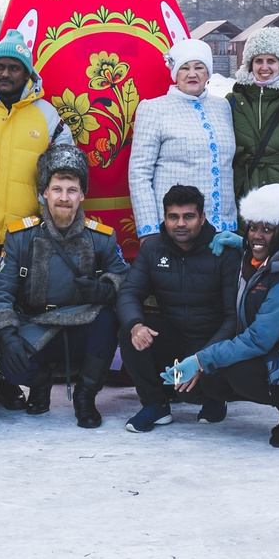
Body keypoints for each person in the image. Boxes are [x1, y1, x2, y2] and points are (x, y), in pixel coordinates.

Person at [0, 31, 75, 408]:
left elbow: (70, 165)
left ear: (27, 73)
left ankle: (8, 382)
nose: (5, 74)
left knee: (20, 309)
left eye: (14, 68)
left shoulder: (47, 114)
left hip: (25, 236)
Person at [165, 183, 279, 447]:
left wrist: (199, 360)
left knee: (237, 371)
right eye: (253, 226)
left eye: (267, 229)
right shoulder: (264, 258)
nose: (257, 235)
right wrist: (243, 244)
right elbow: (263, 254)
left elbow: (258, 339)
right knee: (213, 379)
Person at [0, 146, 127, 428]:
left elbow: (127, 281)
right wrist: (6, 334)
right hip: (34, 327)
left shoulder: (101, 238)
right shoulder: (20, 237)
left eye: (72, 190)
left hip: (81, 329)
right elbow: (0, 290)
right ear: (45, 193)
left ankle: (85, 396)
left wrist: (106, 289)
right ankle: (39, 383)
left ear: (82, 195)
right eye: (57, 189)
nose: (64, 198)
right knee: (6, 363)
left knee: (110, 318)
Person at [119, 183, 232, 431]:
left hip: (211, 343)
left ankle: (215, 398)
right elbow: (129, 291)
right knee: (132, 330)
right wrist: (136, 325)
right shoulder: (152, 248)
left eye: (188, 216)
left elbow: (233, 318)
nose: (180, 223)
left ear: (202, 218)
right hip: (174, 338)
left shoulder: (223, 251)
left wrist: (203, 359)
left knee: (188, 394)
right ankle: (155, 404)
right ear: (165, 218)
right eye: (174, 217)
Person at [128, 35, 237, 234]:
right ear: (175, 73)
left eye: (199, 67)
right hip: (176, 227)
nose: (192, 74)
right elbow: (139, 174)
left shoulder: (222, 107)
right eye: (185, 68)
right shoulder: (154, 109)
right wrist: (149, 230)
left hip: (221, 226)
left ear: (208, 73)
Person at [227, 27, 279, 202]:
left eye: (271, 60)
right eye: (258, 60)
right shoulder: (234, 100)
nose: (264, 67)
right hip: (246, 188)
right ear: (250, 63)